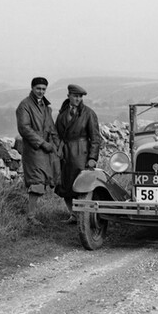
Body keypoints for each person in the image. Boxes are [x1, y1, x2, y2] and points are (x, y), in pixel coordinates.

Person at [16, 77, 60, 227]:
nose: (41, 92)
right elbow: (24, 128)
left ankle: (73, 214)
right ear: (32, 88)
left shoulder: (46, 107)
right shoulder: (25, 106)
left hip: (47, 148)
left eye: (43, 89)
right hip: (34, 149)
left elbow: (52, 128)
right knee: (36, 181)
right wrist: (42, 143)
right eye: (38, 88)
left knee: (52, 178)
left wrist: (57, 145)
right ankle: (31, 216)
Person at [55, 84, 101, 223]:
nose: (78, 99)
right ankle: (73, 215)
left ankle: (83, 216)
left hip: (81, 153)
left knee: (81, 185)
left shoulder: (88, 113)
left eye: (80, 97)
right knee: (65, 185)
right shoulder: (62, 113)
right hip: (65, 153)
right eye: (75, 96)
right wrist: (58, 149)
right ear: (68, 96)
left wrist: (92, 157)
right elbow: (57, 133)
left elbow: (95, 138)